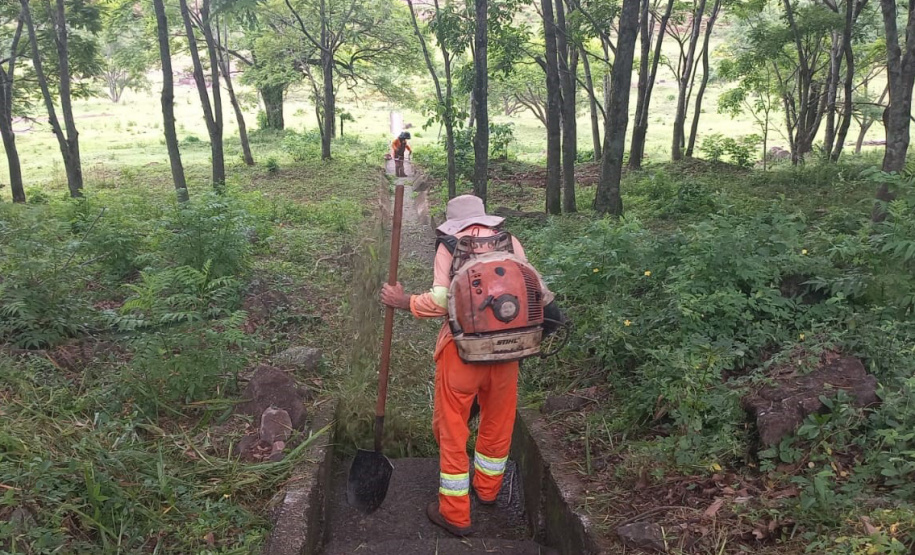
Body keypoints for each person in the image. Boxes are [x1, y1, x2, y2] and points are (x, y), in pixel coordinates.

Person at [380, 195, 561, 537]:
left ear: (451, 223)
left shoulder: (451, 246)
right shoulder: (510, 241)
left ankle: (455, 513)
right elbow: (532, 291)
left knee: (452, 428)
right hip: (509, 351)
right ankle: (489, 490)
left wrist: (404, 302)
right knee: (498, 419)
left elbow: (439, 301)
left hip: (462, 352)